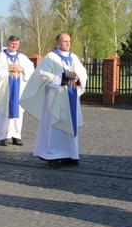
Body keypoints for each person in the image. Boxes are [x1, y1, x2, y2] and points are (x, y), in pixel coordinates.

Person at [20, 32, 87, 168]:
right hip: (56, 97)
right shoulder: (50, 57)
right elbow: (42, 76)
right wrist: (63, 75)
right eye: (65, 41)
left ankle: (70, 154)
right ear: (57, 43)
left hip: (71, 96)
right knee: (54, 126)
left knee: (70, 125)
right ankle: (53, 155)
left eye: (69, 41)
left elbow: (83, 73)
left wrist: (77, 77)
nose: (68, 44)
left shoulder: (74, 57)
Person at [0, 35, 34, 146]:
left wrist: (22, 69)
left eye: (16, 44)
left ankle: (16, 136)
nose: (14, 46)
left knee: (18, 113)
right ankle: (3, 136)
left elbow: (31, 72)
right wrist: (7, 69)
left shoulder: (23, 58)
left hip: (19, 91)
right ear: (8, 43)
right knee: (2, 113)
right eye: (12, 44)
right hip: (3, 92)